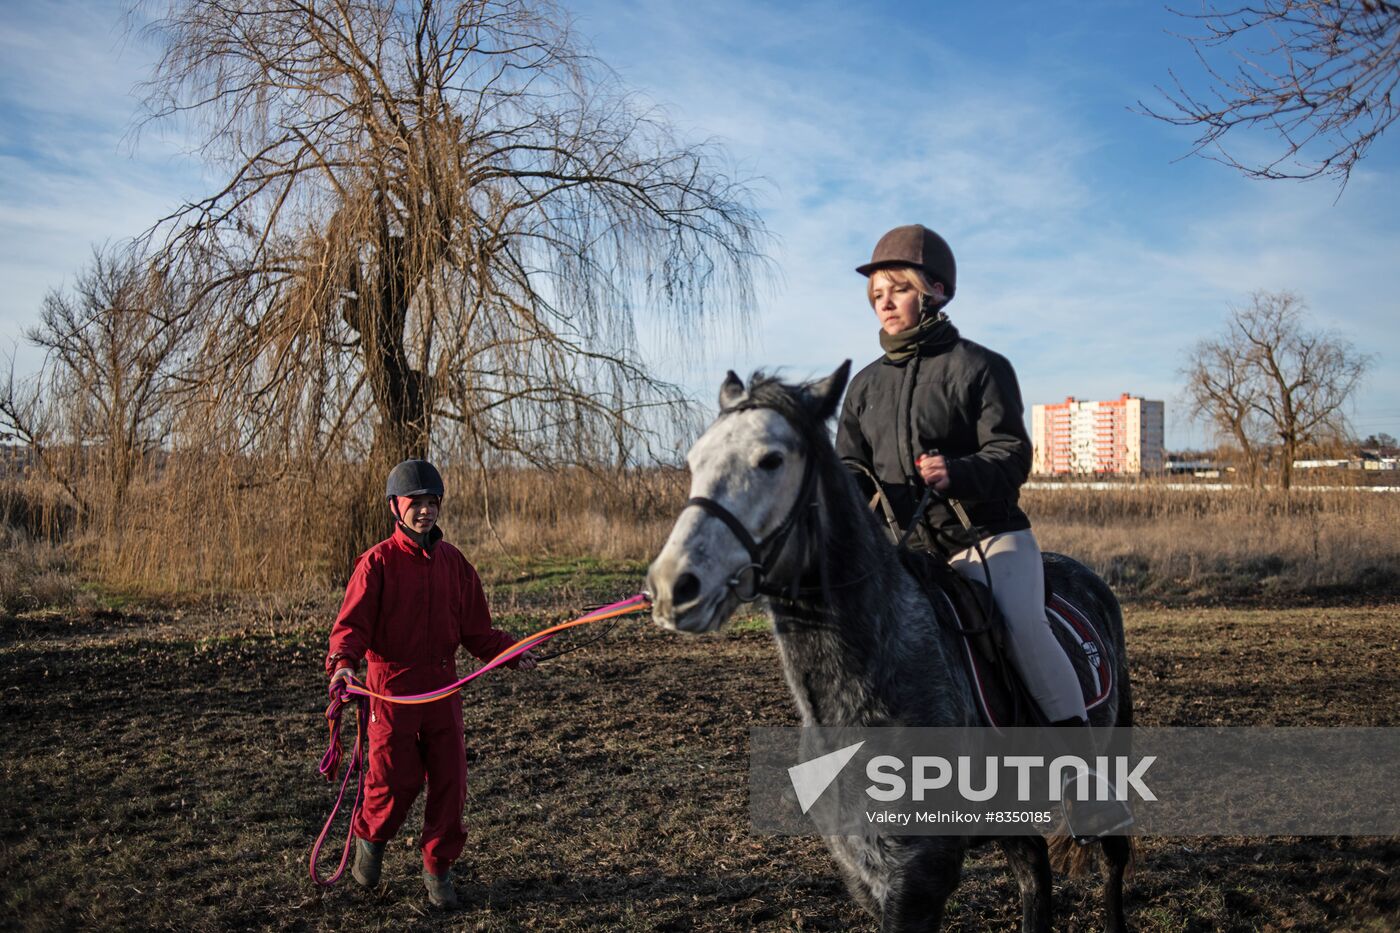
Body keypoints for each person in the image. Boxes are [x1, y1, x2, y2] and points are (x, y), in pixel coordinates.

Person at [835, 224, 1131, 839]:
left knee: (1022, 627)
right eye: (876, 294)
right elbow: (849, 468)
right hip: (908, 554)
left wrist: (959, 471)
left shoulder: (980, 368)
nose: (883, 301)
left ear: (936, 291)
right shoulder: (863, 386)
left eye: (898, 289)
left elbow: (1014, 455)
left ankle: (1086, 783)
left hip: (988, 540)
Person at [325, 458, 538, 909]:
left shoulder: (454, 563)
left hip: (444, 690)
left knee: (450, 783)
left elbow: (478, 631)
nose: (425, 511)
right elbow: (351, 627)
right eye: (415, 503)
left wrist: (510, 653)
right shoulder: (376, 564)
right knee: (391, 784)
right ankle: (370, 840)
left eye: (431, 502)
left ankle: (438, 870)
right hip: (391, 691)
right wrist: (343, 664)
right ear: (395, 508)